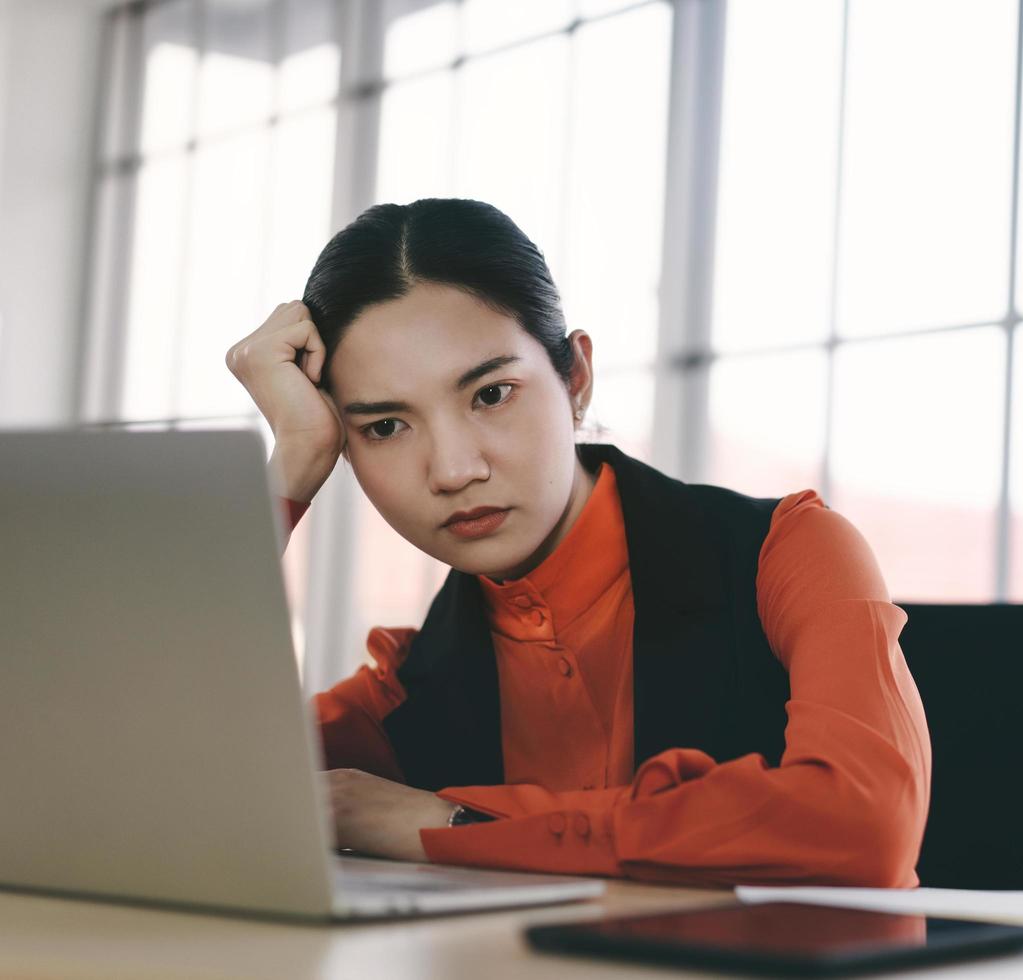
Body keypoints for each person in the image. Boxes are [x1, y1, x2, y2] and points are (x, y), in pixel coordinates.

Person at [226, 198, 931, 887]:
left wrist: (452, 825)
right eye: (384, 426)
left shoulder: (789, 552)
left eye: (492, 394)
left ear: (576, 380)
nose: (453, 470)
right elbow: (141, 785)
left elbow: (864, 827)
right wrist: (291, 463)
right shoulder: (405, 691)